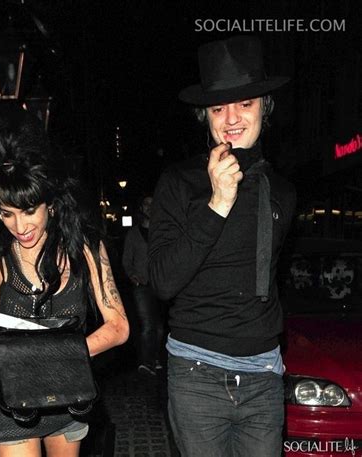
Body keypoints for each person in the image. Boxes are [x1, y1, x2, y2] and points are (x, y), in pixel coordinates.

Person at [0, 126, 129, 457]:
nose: (20, 227)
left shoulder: (86, 249)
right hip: (11, 401)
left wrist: (47, 359)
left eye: (29, 211)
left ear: (52, 205)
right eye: (7, 214)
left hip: (68, 394)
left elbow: (118, 328)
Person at [148, 35, 296, 456]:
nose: (231, 117)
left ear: (264, 108)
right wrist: (216, 203)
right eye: (218, 107)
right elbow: (162, 281)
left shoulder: (283, 193)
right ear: (205, 116)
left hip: (264, 375)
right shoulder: (179, 183)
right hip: (197, 373)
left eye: (244, 103)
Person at [122, 195, 164, 375]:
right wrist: (132, 276)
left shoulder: (161, 231)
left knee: (160, 326)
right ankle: (146, 362)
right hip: (142, 285)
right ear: (141, 208)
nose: (149, 207)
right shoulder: (134, 233)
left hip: (160, 284)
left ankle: (155, 358)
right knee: (147, 325)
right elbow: (126, 259)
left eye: (152, 204)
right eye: (146, 204)